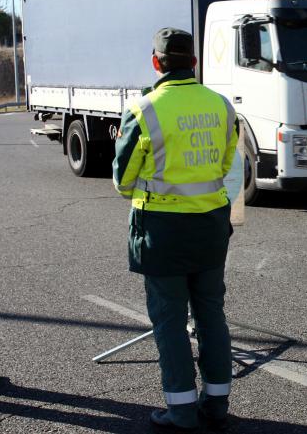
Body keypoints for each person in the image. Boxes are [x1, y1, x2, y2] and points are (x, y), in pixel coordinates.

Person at [113, 28, 239, 432]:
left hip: (163, 228)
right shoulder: (222, 106)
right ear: (194, 62)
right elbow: (225, 166)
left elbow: (122, 180)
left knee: (169, 320)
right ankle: (216, 403)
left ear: (157, 62)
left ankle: (181, 410)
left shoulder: (143, 109)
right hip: (210, 223)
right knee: (211, 313)